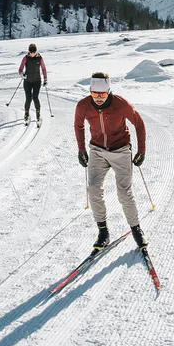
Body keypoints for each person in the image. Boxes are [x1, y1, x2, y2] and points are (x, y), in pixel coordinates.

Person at [74, 72, 148, 252]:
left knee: (124, 193)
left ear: (108, 92)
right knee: (93, 189)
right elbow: (78, 125)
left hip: (121, 150)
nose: (98, 98)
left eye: (102, 95)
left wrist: (141, 151)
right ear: (90, 91)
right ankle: (103, 232)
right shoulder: (83, 105)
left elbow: (139, 124)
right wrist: (82, 150)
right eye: (95, 94)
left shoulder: (121, 104)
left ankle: (136, 229)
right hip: (98, 151)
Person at [18, 43, 47, 125]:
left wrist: (45, 79)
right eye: (31, 52)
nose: (32, 53)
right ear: (29, 51)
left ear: (36, 51)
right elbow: (20, 68)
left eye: (34, 52)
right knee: (28, 98)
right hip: (27, 81)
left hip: (37, 81)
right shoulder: (26, 58)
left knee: (35, 97)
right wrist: (21, 74)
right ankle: (26, 114)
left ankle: (38, 114)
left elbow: (44, 69)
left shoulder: (40, 58)